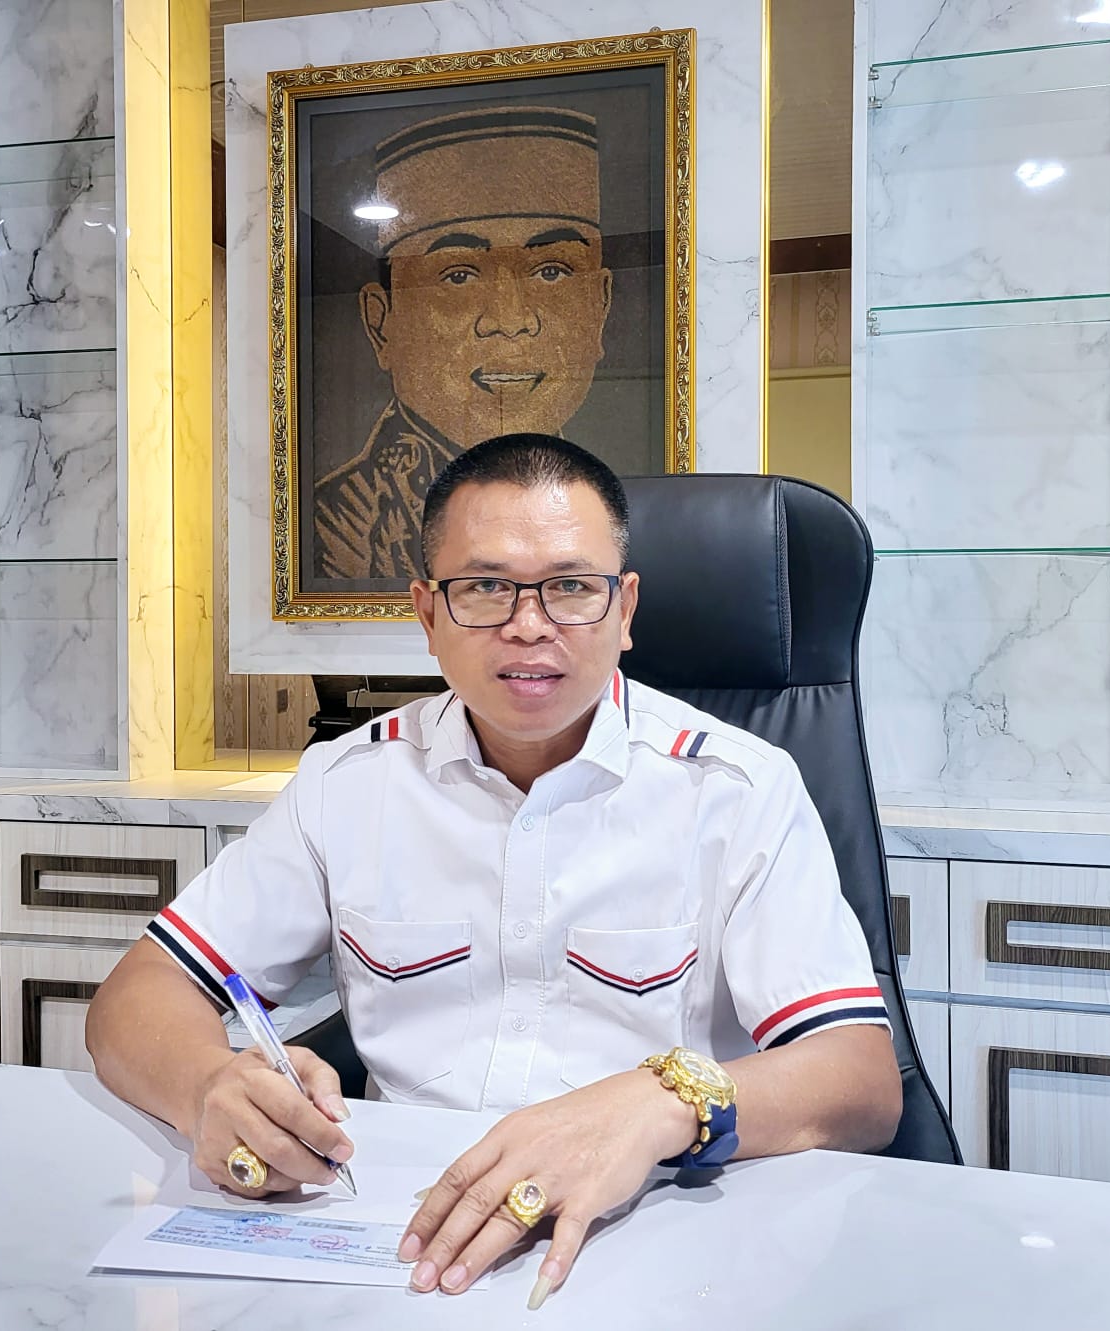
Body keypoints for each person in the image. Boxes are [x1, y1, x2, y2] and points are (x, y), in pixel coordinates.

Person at [87, 434, 901, 1307]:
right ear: (427, 612)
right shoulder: (347, 783)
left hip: (664, 1230)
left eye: (571, 586)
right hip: (401, 1236)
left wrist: (655, 1104)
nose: (529, 624)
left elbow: (859, 1079)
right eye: (484, 587)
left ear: (624, 608)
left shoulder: (735, 788)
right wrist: (210, 1086)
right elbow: (138, 995)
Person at [311, 105, 613, 580]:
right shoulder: (341, 524)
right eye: (458, 276)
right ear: (382, 323)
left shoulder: (610, 513)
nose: (510, 321)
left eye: (551, 272)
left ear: (600, 308)